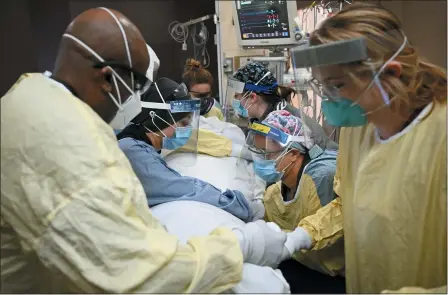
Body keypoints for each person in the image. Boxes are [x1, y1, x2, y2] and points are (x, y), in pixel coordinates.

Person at [0, 7, 293, 293]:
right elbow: (133, 275)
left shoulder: (26, 99)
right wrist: (239, 247)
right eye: (138, 87)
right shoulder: (69, 142)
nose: (138, 100)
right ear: (107, 78)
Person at [284, 3, 446, 293]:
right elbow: (348, 202)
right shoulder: (358, 128)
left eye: (336, 86)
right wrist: (303, 235)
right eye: (322, 87)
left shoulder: (440, 137)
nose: (329, 100)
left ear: (390, 74)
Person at [116, 77, 258, 222]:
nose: (187, 131)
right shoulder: (132, 151)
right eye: (183, 123)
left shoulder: (143, 140)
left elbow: (202, 139)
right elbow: (182, 188)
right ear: (155, 117)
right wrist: (239, 205)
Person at [245, 110, 344, 293]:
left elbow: (337, 224)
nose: (260, 161)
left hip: (333, 275)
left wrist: (297, 238)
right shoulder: (274, 192)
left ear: (293, 153)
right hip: (304, 264)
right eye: (258, 153)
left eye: (266, 154)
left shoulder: (321, 178)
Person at [227, 61, 338, 151]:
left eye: (237, 96)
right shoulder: (264, 117)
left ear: (252, 97)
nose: (235, 100)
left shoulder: (283, 124)